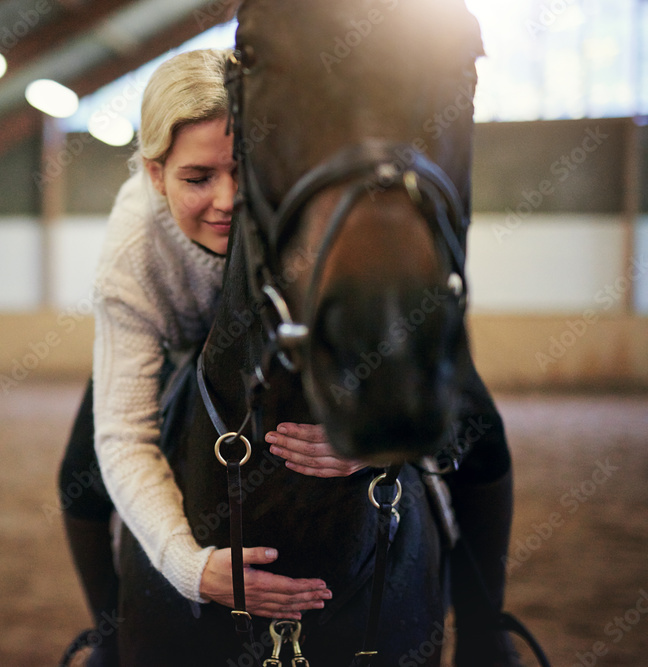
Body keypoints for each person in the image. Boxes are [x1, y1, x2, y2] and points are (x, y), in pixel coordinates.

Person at [57, 47, 517, 667]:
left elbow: (368, 326)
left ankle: (488, 634)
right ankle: (111, 638)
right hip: (177, 339)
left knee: (483, 436)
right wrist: (188, 568)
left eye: (244, 172)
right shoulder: (131, 255)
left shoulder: (300, 204)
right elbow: (123, 436)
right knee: (79, 476)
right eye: (198, 178)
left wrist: (376, 441)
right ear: (153, 173)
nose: (227, 201)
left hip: (287, 329)